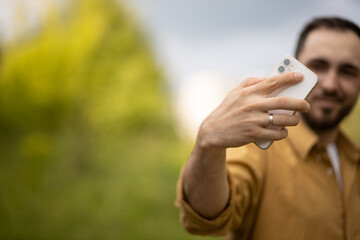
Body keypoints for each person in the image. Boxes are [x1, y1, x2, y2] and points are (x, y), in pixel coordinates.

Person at [176, 17, 360, 240]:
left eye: (348, 71)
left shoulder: (354, 158)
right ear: (297, 68)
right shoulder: (255, 148)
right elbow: (204, 217)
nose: (331, 84)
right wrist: (207, 144)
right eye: (318, 67)